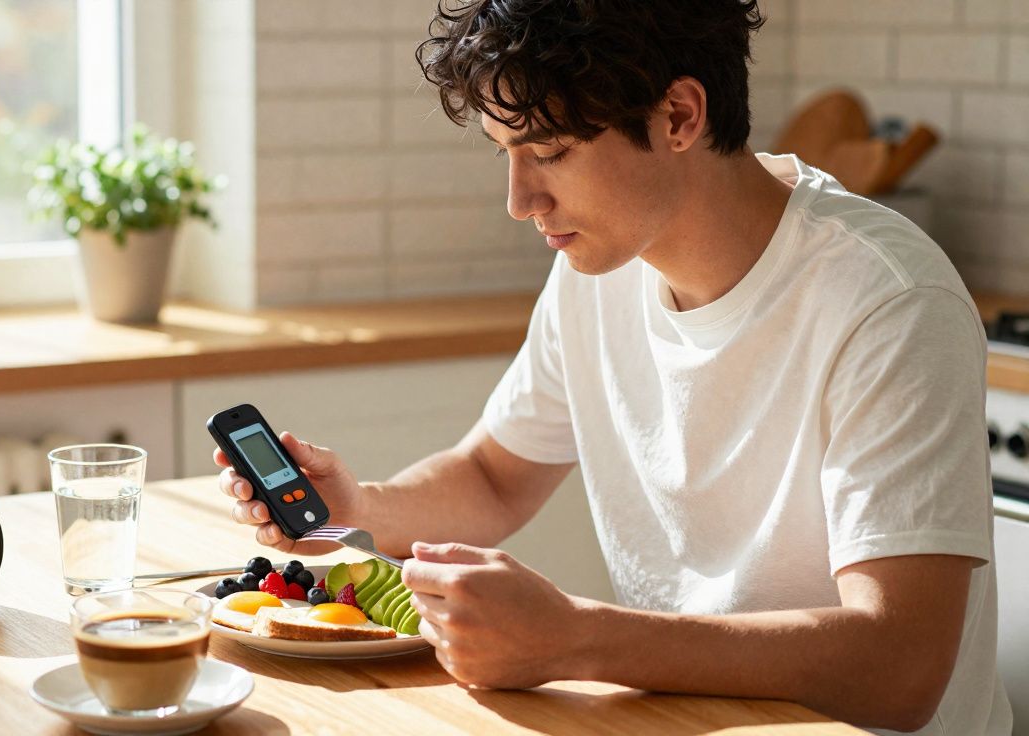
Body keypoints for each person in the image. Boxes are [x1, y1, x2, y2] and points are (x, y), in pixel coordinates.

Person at [213, 1, 1010, 733]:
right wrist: (359, 507)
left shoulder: (890, 301)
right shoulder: (597, 272)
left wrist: (578, 640)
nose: (521, 200)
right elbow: (494, 477)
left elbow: (901, 666)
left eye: (550, 152)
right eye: (506, 155)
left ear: (678, 116)